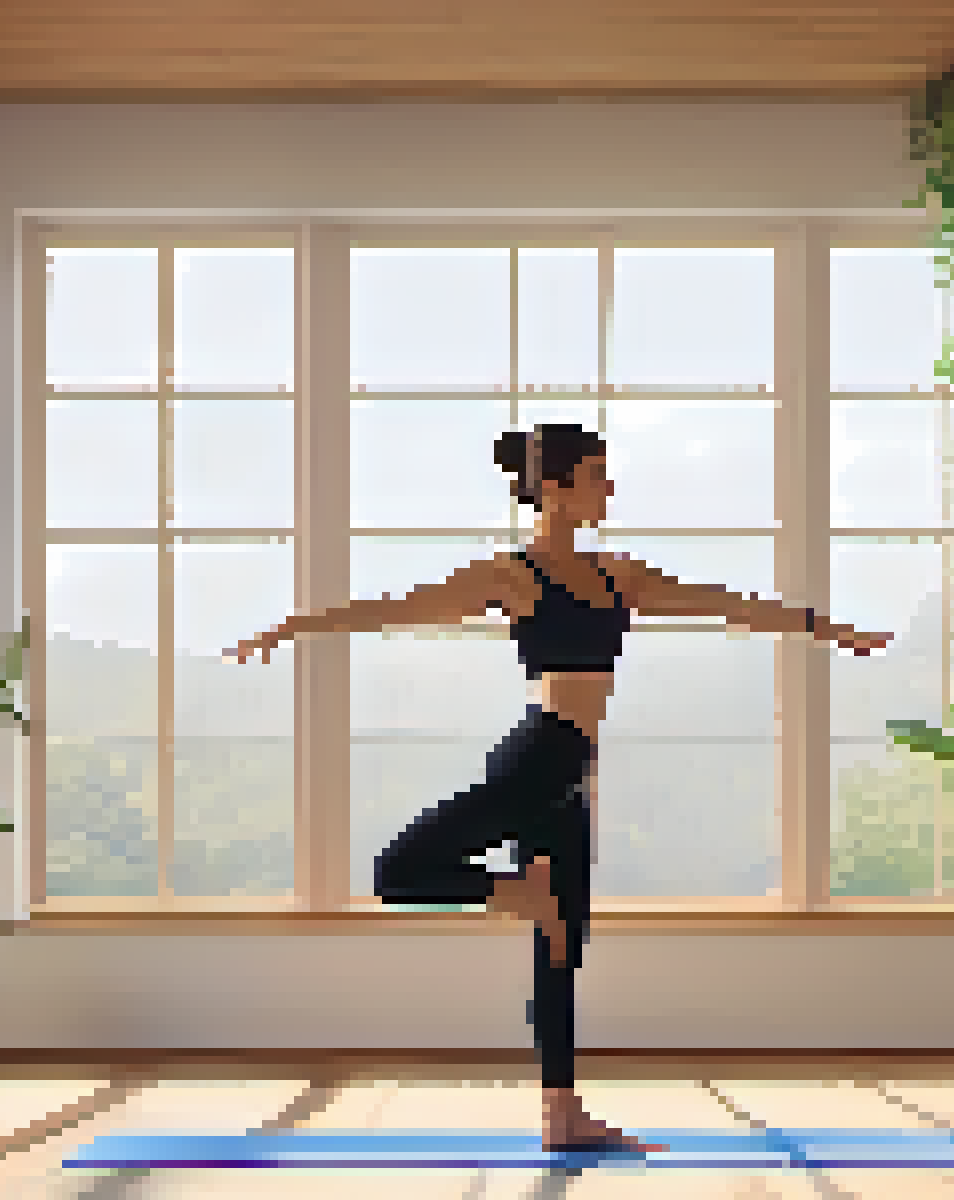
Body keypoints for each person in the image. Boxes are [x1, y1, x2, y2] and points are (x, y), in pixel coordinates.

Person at [227, 423, 892, 1154]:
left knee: (562, 944)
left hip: (570, 774)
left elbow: (725, 604)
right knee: (399, 871)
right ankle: (512, 893)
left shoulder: (617, 577)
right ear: (555, 486)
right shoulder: (513, 576)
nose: (608, 490)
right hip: (538, 758)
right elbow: (396, 608)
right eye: (597, 476)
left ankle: (561, 1113)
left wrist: (829, 630)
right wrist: (295, 626)